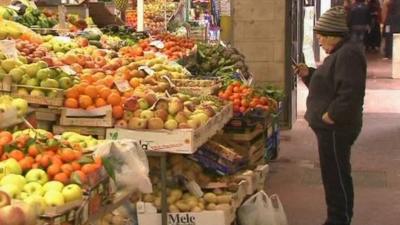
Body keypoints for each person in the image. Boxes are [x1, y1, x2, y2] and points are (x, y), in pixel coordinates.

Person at [294, 6, 366, 225]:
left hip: (336, 128)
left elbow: (350, 92)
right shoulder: (340, 53)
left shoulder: (348, 54)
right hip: (332, 127)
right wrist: (309, 75)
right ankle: (338, 217)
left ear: (333, 35)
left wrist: (331, 115)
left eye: (321, 37)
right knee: (335, 174)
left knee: (336, 176)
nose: (320, 41)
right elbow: (330, 85)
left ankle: (338, 219)